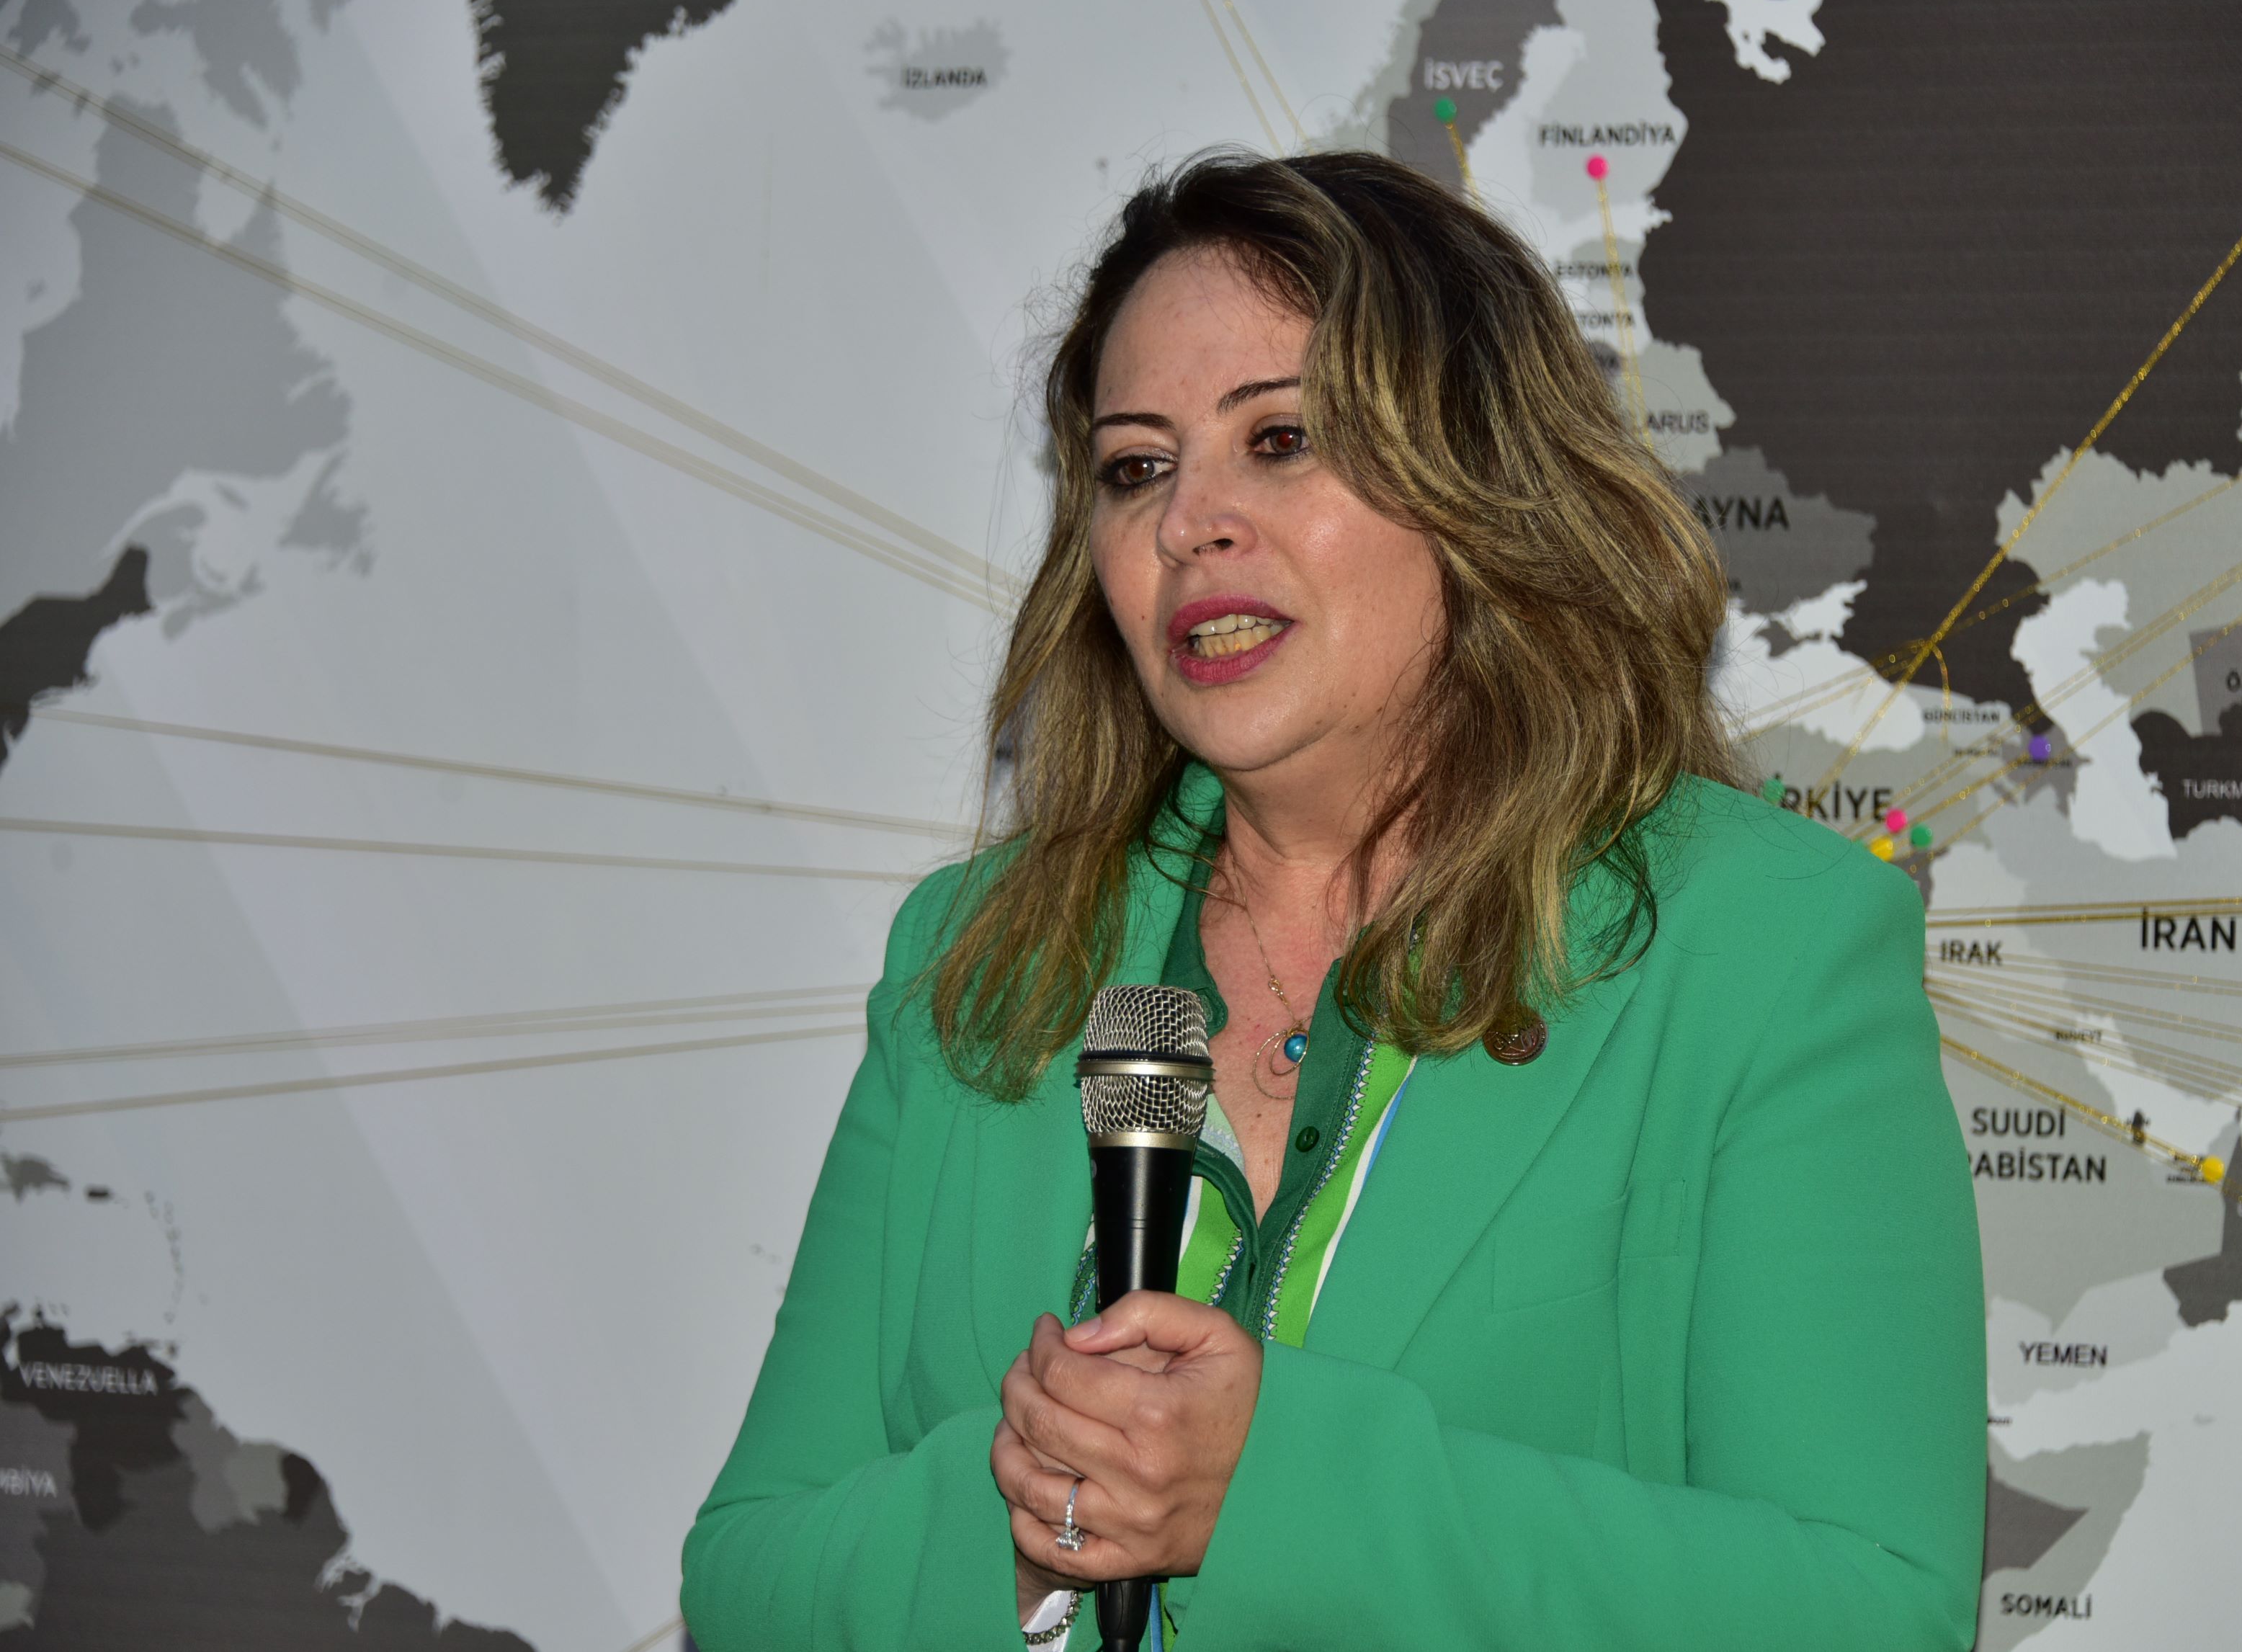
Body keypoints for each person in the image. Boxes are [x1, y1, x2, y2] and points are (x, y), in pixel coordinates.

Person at [681, 149, 1985, 1651]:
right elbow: (747, 1576)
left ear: (1483, 482)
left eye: (1282, 438)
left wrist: (1271, 1492)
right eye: (1136, 467)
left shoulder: (1763, 948)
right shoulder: (972, 960)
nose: (1190, 521)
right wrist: (1038, 1517)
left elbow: (1869, 1608)